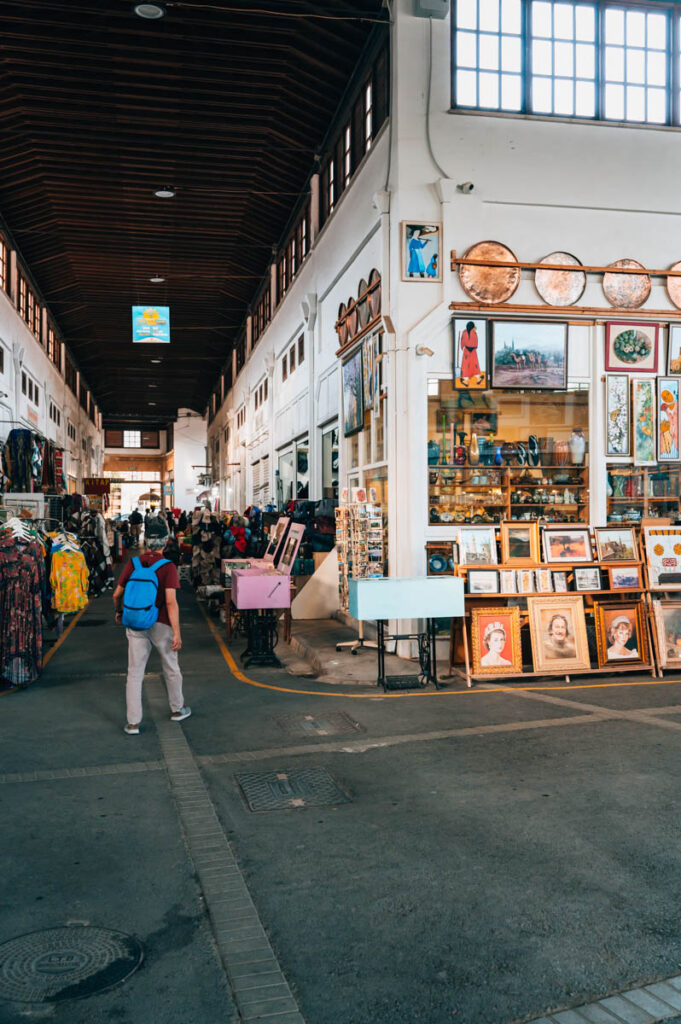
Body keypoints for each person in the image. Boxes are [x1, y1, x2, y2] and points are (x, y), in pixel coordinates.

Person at [112, 515, 190, 735]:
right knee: (171, 667)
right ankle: (177, 709)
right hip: (161, 624)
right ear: (166, 541)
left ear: (146, 541)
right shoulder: (168, 567)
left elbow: (117, 594)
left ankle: (133, 723)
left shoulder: (133, 563)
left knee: (134, 672)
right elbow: (170, 602)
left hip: (136, 623)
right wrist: (177, 632)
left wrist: (119, 612)